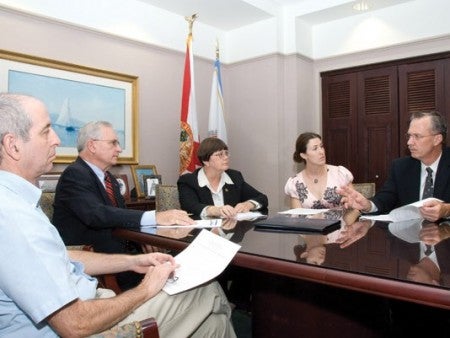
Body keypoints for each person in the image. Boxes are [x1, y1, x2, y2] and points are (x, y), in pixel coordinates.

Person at [0, 93, 236, 337]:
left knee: (213, 326)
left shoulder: (17, 202)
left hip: (93, 296)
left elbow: (59, 255)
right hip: (86, 320)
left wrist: (132, 261)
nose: (57, 139)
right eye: (46, 131)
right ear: (13, 145)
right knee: (207, 290)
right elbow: (75, 323)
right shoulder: (15, 216)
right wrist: (146, 289)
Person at [53, 121, 193, 290]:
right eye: (113, 143)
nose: (119, 149)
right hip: (98, 263)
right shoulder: (74, 174)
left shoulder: (109, 178)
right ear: (92, 145)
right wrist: (154, 216)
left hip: (124, 255)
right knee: (177, 280)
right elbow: (97, 215)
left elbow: (120, 215)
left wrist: (143, 239)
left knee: (180, 271)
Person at [339, 111, 450, 222]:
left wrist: (446, 210)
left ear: (437, 139)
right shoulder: (401, 167)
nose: (409, 142)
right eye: (409, 136)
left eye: (417, 136)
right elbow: (386, 199)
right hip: (410, 236)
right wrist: (368, 205)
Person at [177, 137, 268, 218]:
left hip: (231, 232)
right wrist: (216, 210)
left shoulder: (234, 177)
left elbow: (262, 198)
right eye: (220, 154)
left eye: (226, 153)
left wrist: (248, 204)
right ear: (205, 161)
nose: (226, 157)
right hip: (202, 233)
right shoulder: (188, 181)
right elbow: (190, 206)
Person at [285, 132, 354, 209]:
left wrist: (345, 221)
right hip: (307, 221)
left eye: (321, 147)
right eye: (315, 148)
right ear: (303, 155)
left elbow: (355, 209)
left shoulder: (340, 174)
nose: (321, 151)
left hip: (342, 221)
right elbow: (296, 217)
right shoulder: (295, 183)